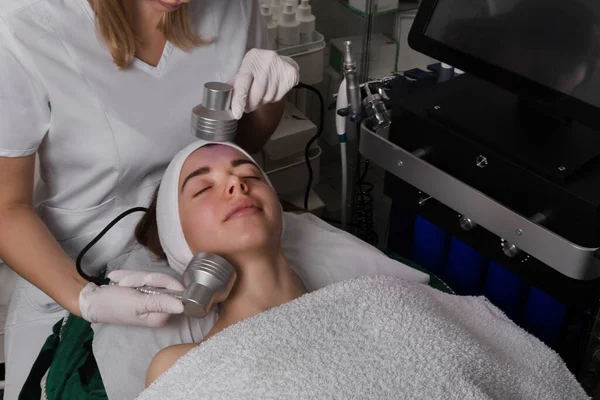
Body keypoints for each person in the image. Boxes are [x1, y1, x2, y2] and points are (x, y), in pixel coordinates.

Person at [0, 0, 299, 397]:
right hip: (74, 272)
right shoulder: (25, 27)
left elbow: (239, 146)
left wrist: (269, 97)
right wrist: (86, 299)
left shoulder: (236, 6)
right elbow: (7, 208)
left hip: (207, 263)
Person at [125, 140, 308, 387]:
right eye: (203, 188)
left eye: (250, 175)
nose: (237, 183)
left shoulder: (366, 298)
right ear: (178, 238)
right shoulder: (179, 369)